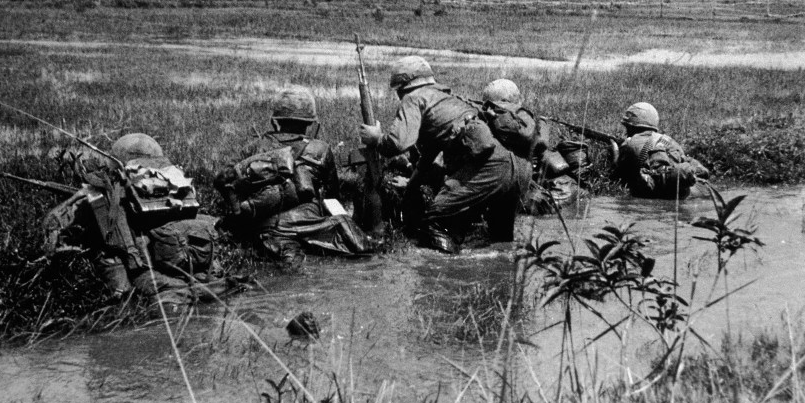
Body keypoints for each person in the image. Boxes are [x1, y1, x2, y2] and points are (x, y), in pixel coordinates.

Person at [44, 133, 238, 308]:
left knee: (105, 251)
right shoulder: (176, 184)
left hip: (160, 288)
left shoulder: (108, 190)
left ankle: (121, 303)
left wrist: (79, 196)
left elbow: (51, 222)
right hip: (210, 280)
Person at [359, 57, 530, 254]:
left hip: (491, 171)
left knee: (436, 222)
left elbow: (398, 143)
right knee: (501, 241)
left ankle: (446, 274)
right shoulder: (447, 100)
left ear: (402, 86)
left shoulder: (413, 98)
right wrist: (411, 186)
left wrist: (376, 138)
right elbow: (428, 157)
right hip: (519, 170)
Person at [214, 87, 371, 271]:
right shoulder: (320, 149)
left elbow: (226, 179)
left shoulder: (256, 146)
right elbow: (332, 195)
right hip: (314, 227)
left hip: (267, 230)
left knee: (289, 264)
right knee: (364, 249)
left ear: (276, 120)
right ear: (310, 123)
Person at [479, 78, 585, 215]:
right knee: (571, 192)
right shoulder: (511, 121)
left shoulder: (484, 118)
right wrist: (543, 126)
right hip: (511, 183)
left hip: (498, 181)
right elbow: (540, 144)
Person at [613, 102, 709, 199]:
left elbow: (618, 173)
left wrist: (615, 150)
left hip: (658, 192)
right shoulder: (670, 140)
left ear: (631, 126)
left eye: (627, 127)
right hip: (687, 191)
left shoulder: (629, 143)